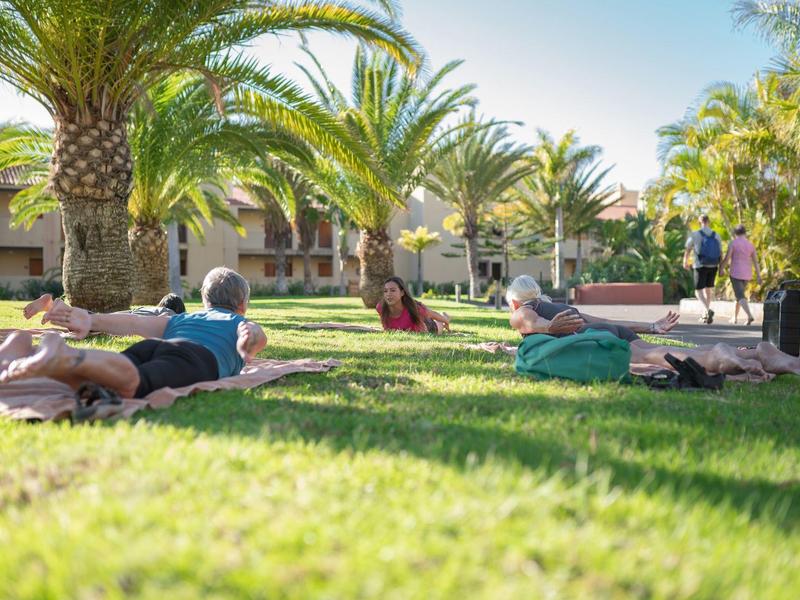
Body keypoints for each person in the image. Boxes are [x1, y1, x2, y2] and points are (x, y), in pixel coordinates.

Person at [0, 267, 267, 398]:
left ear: (206, 301)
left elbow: (134, 323)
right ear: (242, 305)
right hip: (195, 359)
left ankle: (23, 350)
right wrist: (248, 342)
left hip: (155, 349)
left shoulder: (183, 318)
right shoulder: (238, 322)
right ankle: (63, 355)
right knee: (131, 385)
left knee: (102, 383)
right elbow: (255, 336)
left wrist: (91, 320)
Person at [506, 275, 800, 379]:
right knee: (659, 351)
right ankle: (756, 352)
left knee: (655, 357)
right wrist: (650, 326)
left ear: (515, 301)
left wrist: (548, 328)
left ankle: (719, 357)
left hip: (596, 339)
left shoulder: (524, 311)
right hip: (609, 333)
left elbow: (529, 323)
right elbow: (607, 321)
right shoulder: (559, 307)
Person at [22, 291, 187, 321]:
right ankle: (54, 307)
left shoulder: (151, 309)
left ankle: (50, 306)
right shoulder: (170, 315)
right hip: (127, 321)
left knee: (92, 318)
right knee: (88, 323)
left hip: (126, 314)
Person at [719, 224, 762, 325]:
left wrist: (721, 269)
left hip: (735, 274)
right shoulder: (750, 245)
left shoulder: (733, 243)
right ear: (745, 233)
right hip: (747, 274)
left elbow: (727, 258)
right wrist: (758, 275)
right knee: (739, 295)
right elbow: (755, 262)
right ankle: (734, 317)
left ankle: (749, 315)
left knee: (740, 295)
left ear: (735, 233)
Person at [683, 214, 722, 324]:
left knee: (698, 291)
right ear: (708, 221)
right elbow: (720, 252)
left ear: (700, 222)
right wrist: (721, 267)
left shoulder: (695, 234)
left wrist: (685, 261)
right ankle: (706, 315)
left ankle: (707, 310)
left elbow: (688, 248)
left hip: (700, 265)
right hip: (713, 265)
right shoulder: (716, 235)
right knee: (708, 290)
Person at [377, 277, 451, 334]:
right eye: (385, 291)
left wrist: (446, 321)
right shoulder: (381, 307)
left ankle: (444, 316)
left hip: (427, 325)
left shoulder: (414, 308)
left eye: (393, 290)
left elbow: (431, 314)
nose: (388, 294)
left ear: (402, 293)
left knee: (439, 325)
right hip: (416, 321)